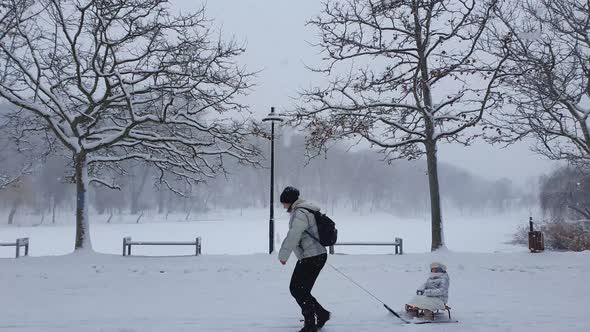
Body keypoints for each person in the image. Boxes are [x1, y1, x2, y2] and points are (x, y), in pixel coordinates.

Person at [278, 186, 330, 332]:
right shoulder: (305, 210)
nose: (283, 206)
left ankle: (310, 324)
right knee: (301, 290)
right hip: (314, 255)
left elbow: (294, 235)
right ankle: (321, 314)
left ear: (290, 201)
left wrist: (283, 255)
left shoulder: (300, 213)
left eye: (284, 203)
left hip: (312, 256)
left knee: (297, 289)